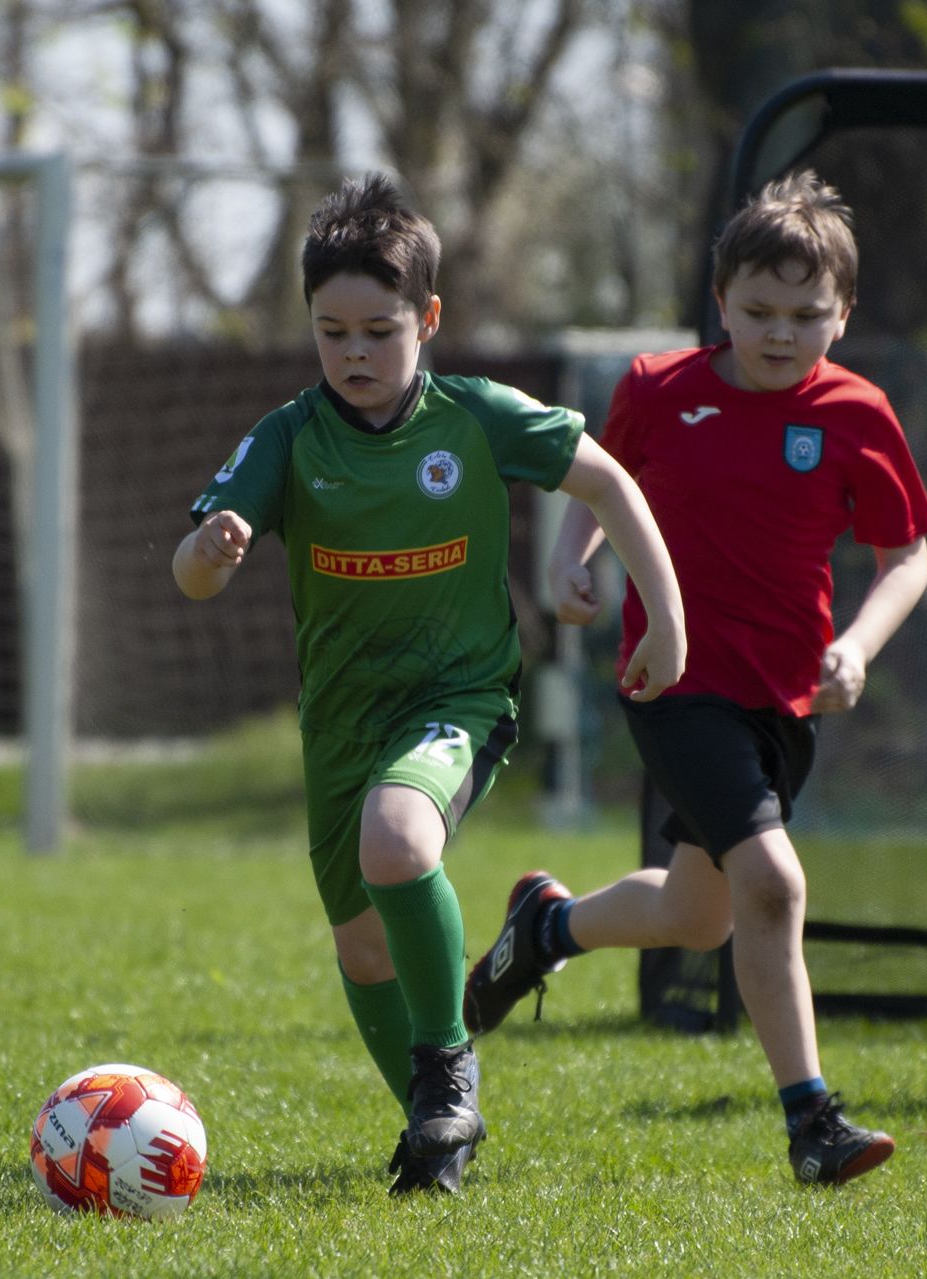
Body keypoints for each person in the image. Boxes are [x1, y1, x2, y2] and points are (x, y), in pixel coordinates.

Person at [174, 173, 685, 1194]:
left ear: (430, 319)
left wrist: (665, 619)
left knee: (399, 842)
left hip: (460, 699)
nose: (354, 353)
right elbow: (190, 576)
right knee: (364, 950)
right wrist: (212, 550)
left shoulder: (475, 417)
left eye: (379, 330)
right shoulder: (288, 437)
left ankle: (448, 1066)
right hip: (340, 723)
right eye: (332, 333)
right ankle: (435, 1134)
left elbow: (608, 481)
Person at [464, 170, 927, 1185]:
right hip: (673, 679)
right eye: (757, 311)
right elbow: (600, 481)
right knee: (774, 881)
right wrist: (570, 557)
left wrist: (857, 646)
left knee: (700, 914)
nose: (779, 333)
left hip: (785, 698)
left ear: (843, 315)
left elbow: (907, 558)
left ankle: (545, 927)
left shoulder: (858, 413)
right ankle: (812, 1121)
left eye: (804, 316)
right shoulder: (658, 388)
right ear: (719, 302)